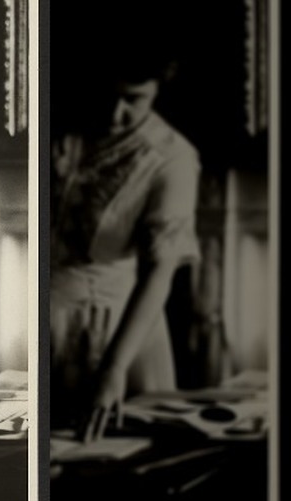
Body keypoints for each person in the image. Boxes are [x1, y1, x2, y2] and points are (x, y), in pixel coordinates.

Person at [50, 3, 200, 442]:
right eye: (108, 94)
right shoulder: (64, 130)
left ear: (158, 89)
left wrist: (114, 368)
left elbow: (159, 271)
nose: (116, 113)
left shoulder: (171, 159)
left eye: (135, 100)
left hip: (115, 332)